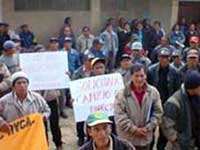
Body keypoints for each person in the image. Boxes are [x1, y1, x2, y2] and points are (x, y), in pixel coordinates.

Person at [114, 63, 163, 150]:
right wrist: (134, 130)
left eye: (142, 76)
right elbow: (120, 116)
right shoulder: (121, 95)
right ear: (131, 76)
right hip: (127, 140)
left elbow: (158, 112)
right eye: (136, 76)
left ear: (146, 76)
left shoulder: (153, 92)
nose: (139, 79)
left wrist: (149, 127)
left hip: (146, 138)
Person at [147, 48, 181, 150]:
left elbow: (177, 90)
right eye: (162, 57)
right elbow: (147, 87)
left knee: (164, 132)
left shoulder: (175, 72)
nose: (164, 59)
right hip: (153, 104)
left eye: (166, 57)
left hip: (167, 105)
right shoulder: (151, 70)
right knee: (150, 130)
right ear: (158, 58)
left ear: (169, 58)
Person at [162, 70, 200, 149]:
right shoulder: (174, 102)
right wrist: (178, 140)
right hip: (180, 146)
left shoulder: (197, 96)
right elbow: (166, 126)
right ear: (193, 87)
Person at [72, 53, 94, 147]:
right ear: (85, 61)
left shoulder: (95, 72)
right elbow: (73, 85)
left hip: (92, 99)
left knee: (91, 118)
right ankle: (81, 137)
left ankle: (90, 137)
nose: (91, 62)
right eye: (89, 60)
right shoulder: (77, 72)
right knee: (80, 120)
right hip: (80, 100)